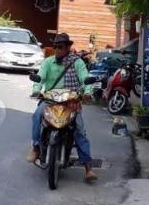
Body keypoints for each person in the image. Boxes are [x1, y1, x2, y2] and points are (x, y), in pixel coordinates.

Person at [27, 32, 97, 183]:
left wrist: (87, 92)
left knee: (80, 131)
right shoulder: (48, 62)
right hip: (50, 100)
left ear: (67, 48)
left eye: (61, 47)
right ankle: (36, 147)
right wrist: (36, 89)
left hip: (70, 102)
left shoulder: (77, 62)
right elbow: (40, 78)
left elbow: (85, 78)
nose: (57, 50)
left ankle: (88, 168)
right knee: (37, 115)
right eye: (56, 47)